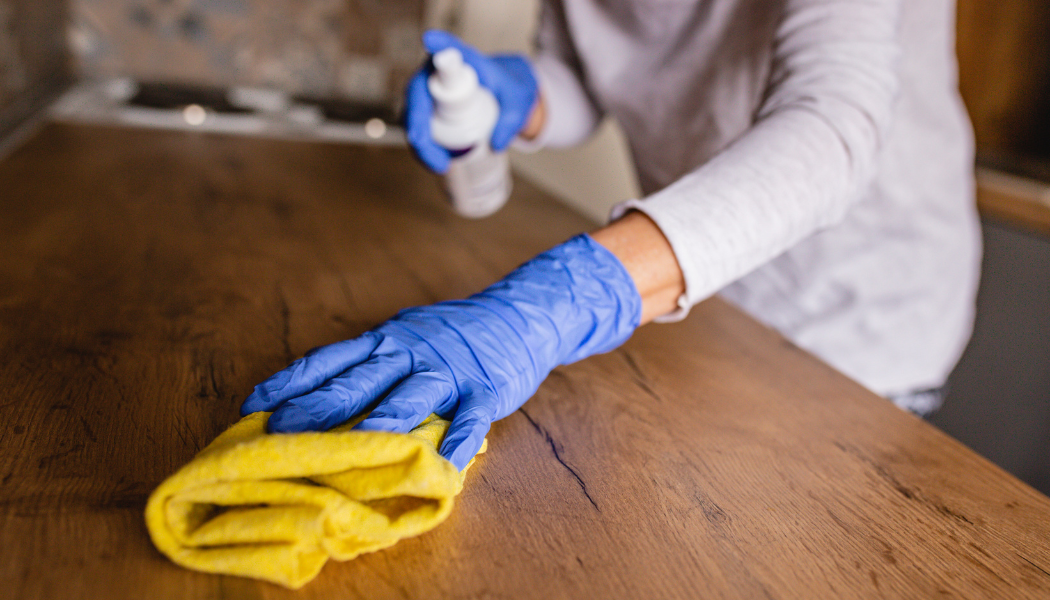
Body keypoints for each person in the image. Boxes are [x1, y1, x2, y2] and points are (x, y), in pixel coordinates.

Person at [241, 0, 981, 470]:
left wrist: (574, 294)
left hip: (858, 314)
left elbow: (832, 125)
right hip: (700, 297)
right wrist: (520, 94)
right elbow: (589, 75)